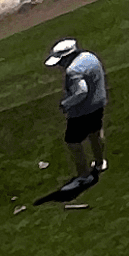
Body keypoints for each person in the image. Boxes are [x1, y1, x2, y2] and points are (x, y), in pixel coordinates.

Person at [45, 34, 108, 192]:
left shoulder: (73, 71)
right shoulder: (90, 57)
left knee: (73, 142)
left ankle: (83, 176)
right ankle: (100, 162)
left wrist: (66, 104)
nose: (60, 65)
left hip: (82, 111)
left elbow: (81, 92)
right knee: (95, 132)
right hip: (98, 103)